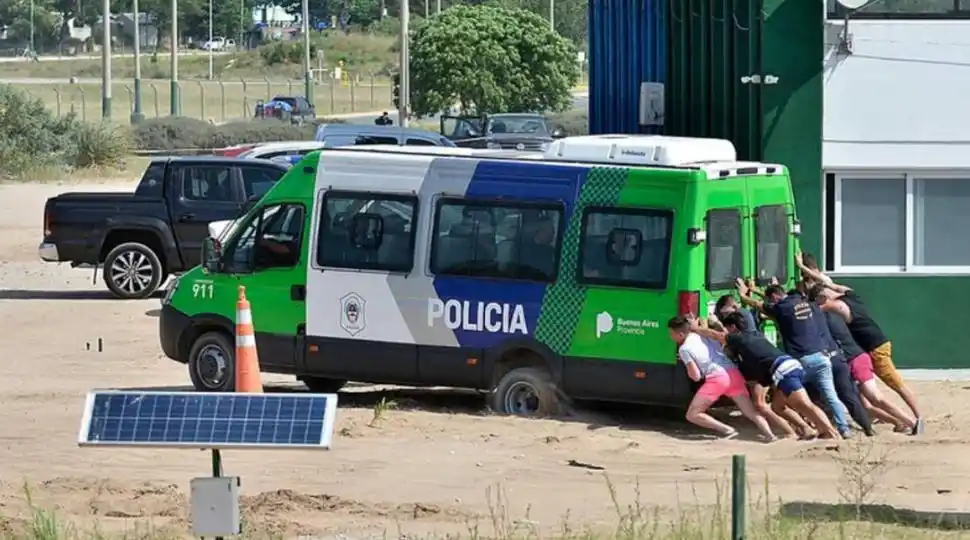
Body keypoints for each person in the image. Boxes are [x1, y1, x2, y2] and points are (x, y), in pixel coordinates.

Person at [796, 252, 925, 435]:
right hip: (870, 347)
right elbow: (827, 281)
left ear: (823, 298)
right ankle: (899, 418)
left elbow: (811, 309)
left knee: (892, 387)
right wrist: (804, 270)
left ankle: (917, 419)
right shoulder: (849, 294)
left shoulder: (837, 306)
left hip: (874, 348)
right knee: (868, 396)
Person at [691, 311, 840, 439]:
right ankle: (807, 430)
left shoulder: (738, 338)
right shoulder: (753, 335)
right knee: (778, 406)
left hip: (783, 371)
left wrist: (695, 328)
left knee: (805, 405)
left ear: (733, 328)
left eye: (728, 329)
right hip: (789, 366)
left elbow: (716, 335)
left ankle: (830, 433)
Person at [737, 279, 852, 438]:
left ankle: (815, 428)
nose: (770, 303)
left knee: (798, 401)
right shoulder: (803, 302)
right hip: (822, 357)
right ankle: (843, 428)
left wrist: (744, 296)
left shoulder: (782, 308)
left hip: (802, 361)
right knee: (830, 396)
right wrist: (756, 289)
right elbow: (774, 302)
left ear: (776, 297)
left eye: (770, 300)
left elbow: (758, 305)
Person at [809, 284, 917, 434]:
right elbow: (831, 286)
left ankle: (911, 421)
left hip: (857, 359)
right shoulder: (843, 305)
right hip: (856, 358)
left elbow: (815, 305)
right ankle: (900, 422)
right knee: (866, 405)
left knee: (876, 397)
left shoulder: (828, 312)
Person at [667, 316, 776, 441]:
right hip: (733, 373)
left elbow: (696, 376)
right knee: (750, 412)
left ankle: (728, 430)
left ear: (680, 334)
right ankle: (770, 435)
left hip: (716, 378)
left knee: (693, 414)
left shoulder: (684, 349)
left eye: (671, 334)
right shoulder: (703, 335)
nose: (671, 337)